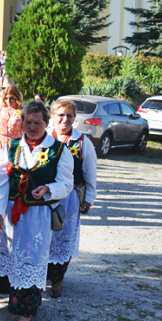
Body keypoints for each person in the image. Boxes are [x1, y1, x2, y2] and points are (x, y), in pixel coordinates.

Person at [0, 101, 74, 321]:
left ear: (47, 123)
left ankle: (26, 313)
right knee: (10, 254)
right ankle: (15, 300)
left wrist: (48, 189)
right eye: (28, 122)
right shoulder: (12, 147)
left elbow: (67, 184)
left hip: (37, 215)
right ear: (22, 123)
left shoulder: (58, 150)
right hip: (11, 212)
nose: (32, 126)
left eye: (37, 122)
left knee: (32, 260)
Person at [47, 100, 97, 298]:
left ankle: (58, 279)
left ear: (75, 118)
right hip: (45, 197)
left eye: (69, 115)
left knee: (63, 237)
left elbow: (90, 173)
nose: (65, 119)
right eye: (60, 115)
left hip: (70, 198)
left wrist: (89, 198)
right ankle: (43, 274)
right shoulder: (45, 138)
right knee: (44, 236)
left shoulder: (82, 142)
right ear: (53, 117)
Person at [0, 85, 23, 157]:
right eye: (6, 98)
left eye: (11, 98)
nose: (8, 101)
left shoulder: (22, 112)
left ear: (16, 98)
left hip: (14, 145)